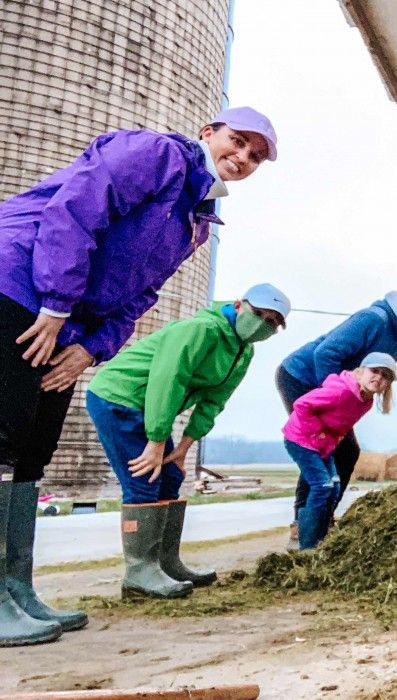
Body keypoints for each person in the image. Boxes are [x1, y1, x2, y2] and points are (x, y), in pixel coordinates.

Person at [0, 108, 278, 646]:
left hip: (67, 321)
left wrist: (89, 349)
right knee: (3, 437)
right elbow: (75, 211)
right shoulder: (155, 156)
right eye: (238, 142)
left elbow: (138, 296)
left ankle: (17, 591)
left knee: (34, 448)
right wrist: (57, 304)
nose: (243, 157)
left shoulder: (196, 220)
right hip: (17, 287)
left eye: (255, 156)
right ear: (209, 133)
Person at [86, 284, 290, 600]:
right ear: (238, 305)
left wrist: (182, 449)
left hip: (148, 407)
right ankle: (139, 574)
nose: (263, 323)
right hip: (120, 397)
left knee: (171, 476)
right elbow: (168, 380)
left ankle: (166, 564)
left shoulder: (242, 351)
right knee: (145, 477)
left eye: (272, 321)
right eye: (259, 313)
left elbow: (213, 400)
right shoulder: (200, 329)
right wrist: (156, 441)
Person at [276, 280, 397, 549]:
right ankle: (302, 525)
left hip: (340, 390)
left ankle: (322, 519)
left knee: (347, 451)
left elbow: (378, 371)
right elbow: (324, 353)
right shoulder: (374, 319)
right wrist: (335, 398)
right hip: (302, 376)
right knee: (316, 446)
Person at [283, 352, 396, 549]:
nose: (378, 377)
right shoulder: (341, 391)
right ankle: (307, 545)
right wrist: (317, 433)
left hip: (321, 445)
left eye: (385, 375)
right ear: (360, 371)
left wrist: (333, 438)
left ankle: (321, 535)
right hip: (300, 440)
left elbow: (341, 423)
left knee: (334, 486)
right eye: (374, 371)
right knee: (322, 486)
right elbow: (301, 405)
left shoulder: (365, 401)